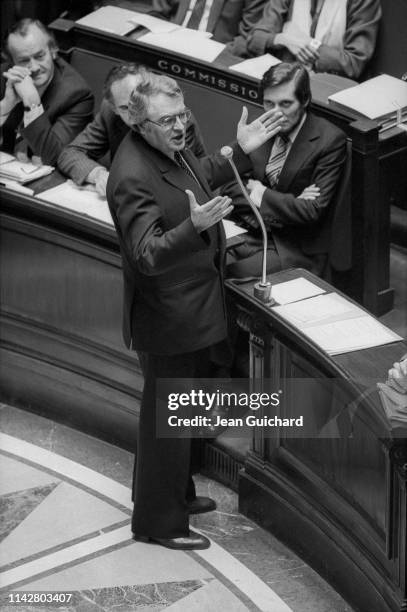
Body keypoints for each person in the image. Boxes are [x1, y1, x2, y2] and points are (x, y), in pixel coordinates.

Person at [106, 70, 283, 550]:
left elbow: (203, 175)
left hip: (194, 309)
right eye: (167, 121)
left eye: (182, 115)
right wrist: (194, 225)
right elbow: (145, 254)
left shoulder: (171, 148)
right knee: (164, 423)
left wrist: (239, 152)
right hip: (168, 317)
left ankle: (177, 497)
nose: (181, 126)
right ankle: (158, 525)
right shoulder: (130, 175)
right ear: (140, 124)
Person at [225, 61, 347, 279]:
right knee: (201, 261)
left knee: (232, 273)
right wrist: (290, 202)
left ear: (305, 100)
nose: (276, 114)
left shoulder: (329, 140)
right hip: (251, 229)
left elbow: (311, 211)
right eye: (268, 103)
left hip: (294, 246)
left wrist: (259, 192)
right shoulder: (260, 127)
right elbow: (230, 186)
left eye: (285, 104)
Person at [58, 63, 207, 197]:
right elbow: (69, 154)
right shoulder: (109, 112)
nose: (136, 114)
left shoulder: (175, 119)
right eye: (125, 108)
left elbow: (180, 182)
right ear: (114, 108)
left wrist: (120, 185)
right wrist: (98, 174)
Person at [0, 19, 94, 165]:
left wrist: (32, 103)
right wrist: (5, 106)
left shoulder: (76, 94)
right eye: (24, 61)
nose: (34, 67)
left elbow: (54, 156)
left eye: (39, 56)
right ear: (12, 62)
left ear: (53, 50)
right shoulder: (4, 76)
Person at [244, 0, 382, 80]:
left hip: (326, 87)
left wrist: (309, 44)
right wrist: (283, 39)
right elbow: (255, 39)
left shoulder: (363, 2)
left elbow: (353, 63)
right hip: (282, 81)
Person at [150, 0, 267, 55]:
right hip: (167, 49)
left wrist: (214, 53)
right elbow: (158, 14)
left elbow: (248, 38)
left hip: (213, 61)